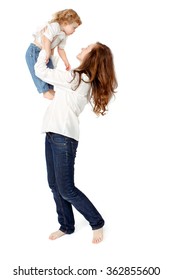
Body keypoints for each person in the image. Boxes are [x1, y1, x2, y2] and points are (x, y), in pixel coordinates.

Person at [34, 42, 118, 244]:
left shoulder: (78, 78)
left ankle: (96, 222)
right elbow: (55, 79)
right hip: (53, 133)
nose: (82, 47)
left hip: (63, 137)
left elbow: (40, 71)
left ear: (93, 56)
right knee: (55, 185)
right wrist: (52, 53)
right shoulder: (77, 77)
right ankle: (66, 226)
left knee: (66, 189)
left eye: (87, 47)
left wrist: (46, 47)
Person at [25, 9, 82, 100]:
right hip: (35, 51)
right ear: (65, 23)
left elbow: (61, 49)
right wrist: (47, 53)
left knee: (51, 70)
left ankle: (50, 90)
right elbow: (46, 39)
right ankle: (45, 90)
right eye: (73, 27)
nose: (74, 31)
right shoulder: (55, 26)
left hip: (45, 53)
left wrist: (66, 62)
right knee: (38, 71)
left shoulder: (64, 36)